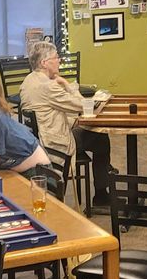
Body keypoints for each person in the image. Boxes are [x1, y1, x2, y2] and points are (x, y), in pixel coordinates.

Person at [18, 40, 113, 207]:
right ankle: (101, 194)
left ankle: (105, 178)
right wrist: (68, 85)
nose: (59, 60)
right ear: (44, 63)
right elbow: (82, 105)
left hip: (39, 140)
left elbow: (57, 108)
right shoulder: (48, 86)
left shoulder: (28, 81)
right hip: (56, 143)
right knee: (100, 138)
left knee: (93, 135)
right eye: (56, 57)